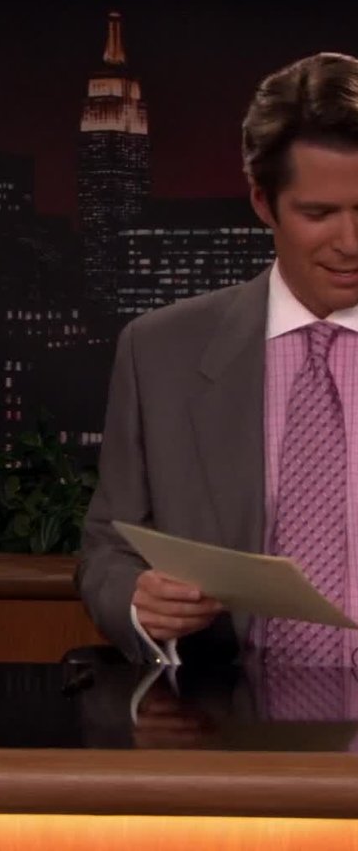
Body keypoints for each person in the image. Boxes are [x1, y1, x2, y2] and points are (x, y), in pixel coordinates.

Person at [77, 51, 358, 667]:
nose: (350, 242)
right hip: (225, 710)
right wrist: (136, 600)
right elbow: (107, 548)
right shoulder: (160, 352)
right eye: (319, 214)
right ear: (262, 202)